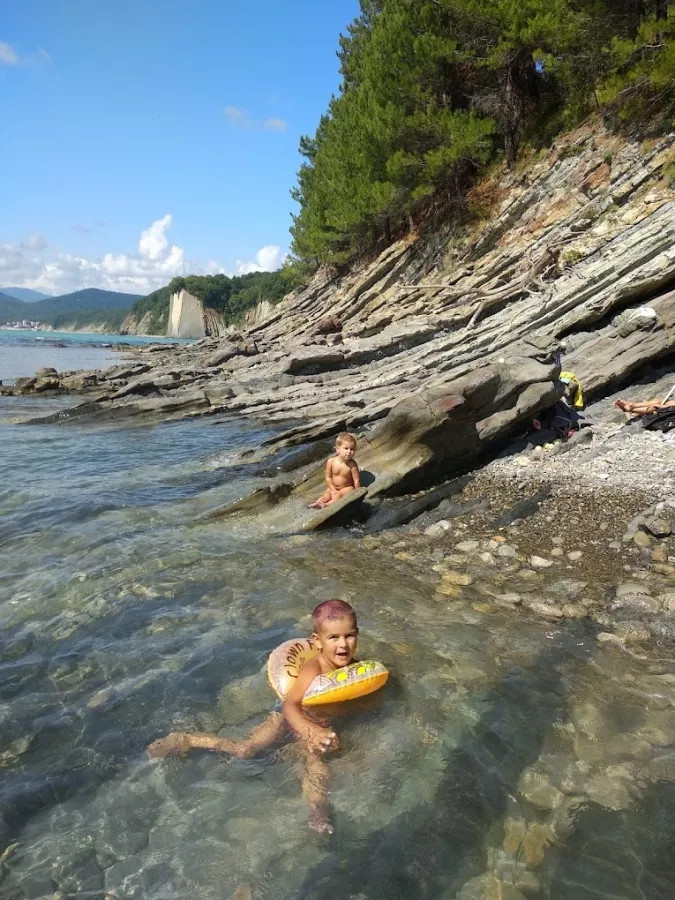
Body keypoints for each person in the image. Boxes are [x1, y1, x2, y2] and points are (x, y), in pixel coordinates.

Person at [147, 599, 360, 835]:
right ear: (317, 641)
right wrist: (310, 731)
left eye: (349, 636)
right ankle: (188, 739)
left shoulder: (359, 671)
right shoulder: (314, 667)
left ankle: (317, 810)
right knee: (245, 750)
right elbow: (290, 705)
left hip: (318, 723)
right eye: (334, 637)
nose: (343, 644)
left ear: (357, 635)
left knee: (316, 764)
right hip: (287, 718)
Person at [308, 432, 360, 509]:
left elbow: (356, 481)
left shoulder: (352, 465)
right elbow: (328, 477)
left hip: (346, 488)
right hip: (333, 487)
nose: (349, 451)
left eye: (352, 449)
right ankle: (318, 502)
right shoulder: (331, 461)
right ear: (338, 449)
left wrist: (358, 493)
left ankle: (326, 505)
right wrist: (332, 490)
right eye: (346, 448)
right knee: (326, 495)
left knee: (344, 493)